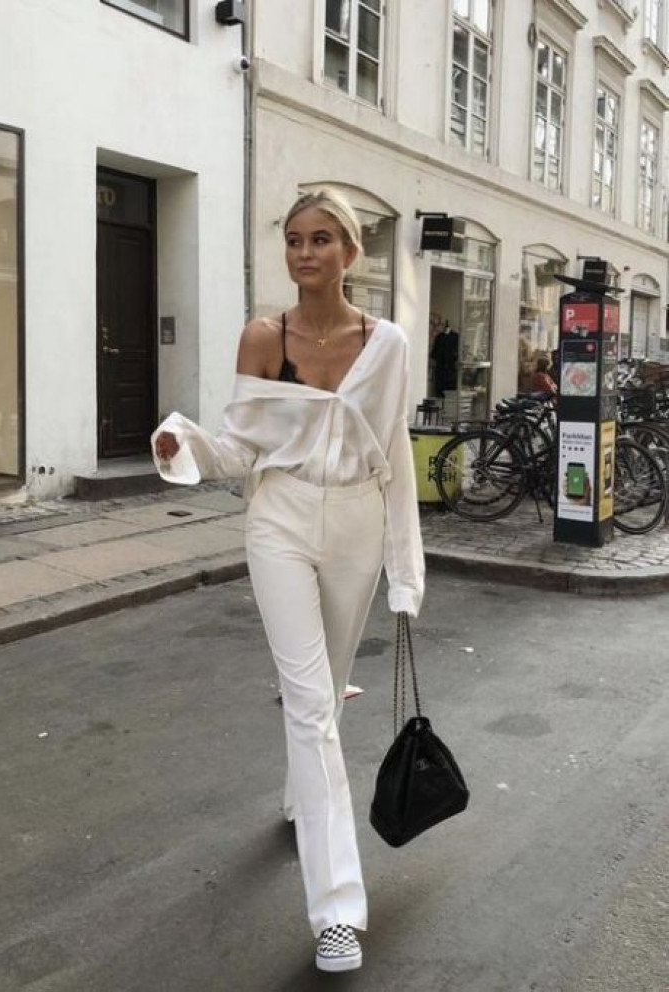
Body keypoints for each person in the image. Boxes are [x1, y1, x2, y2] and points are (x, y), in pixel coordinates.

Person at [152, 188, 424, 973]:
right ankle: (337, 911)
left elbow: (396, 456)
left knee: (329, 687)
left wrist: (406, 571)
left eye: (321, 240)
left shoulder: (391, 346)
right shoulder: (263, 336)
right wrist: (186, 446)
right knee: (309, 703)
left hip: (358, 521)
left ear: (349, 252)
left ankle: (297, 792)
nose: (305, 254)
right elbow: (241, 449)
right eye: (295, 241)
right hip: (279, 517)